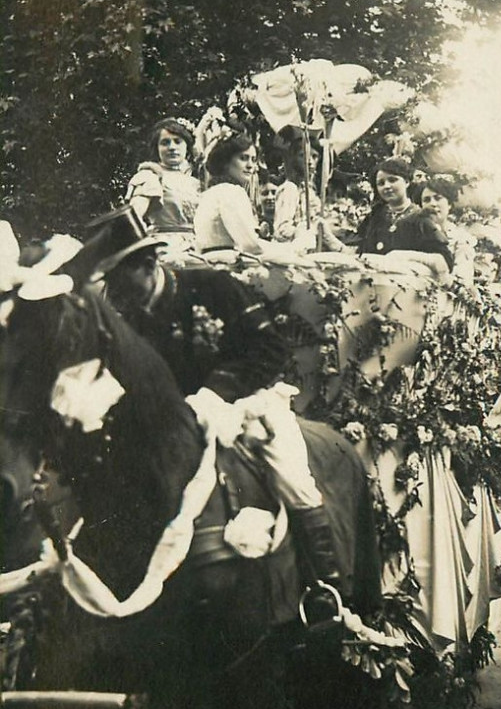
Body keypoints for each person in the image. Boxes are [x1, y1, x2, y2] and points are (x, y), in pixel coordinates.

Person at [80, 207, 347, 603]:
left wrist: (215, 391)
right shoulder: (123, 316)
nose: (115, 290)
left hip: (244, 402)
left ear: (149, 262)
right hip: (168, 422)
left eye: (121, 275)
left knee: (291, 475)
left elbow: (271, 348)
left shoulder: (212, 286)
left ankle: (326, 587)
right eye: (109, 279)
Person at [319, 157, 453, 276]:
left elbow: (443, 262)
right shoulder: (376, 216)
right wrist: (328, 236)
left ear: (407, 182)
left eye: (392, 180)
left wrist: (405, 257)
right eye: (381, 183)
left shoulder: (421, 219)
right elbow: (358, 253)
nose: (386, 186)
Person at [125, 117, 201, 241]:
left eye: (178, 141)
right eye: (165, 143)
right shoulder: (150, 176)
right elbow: (133, 218)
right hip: (165, 245)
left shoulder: (196, 183)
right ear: (157, 148)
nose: (172, 147)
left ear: (187, 146)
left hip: (198, 245)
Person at [193, 133, 263, 261]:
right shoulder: (231, 192)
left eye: (253, 160)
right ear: (225, 161)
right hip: (228, 263)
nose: (250, 165)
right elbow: (250, 245)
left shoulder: (209, 193)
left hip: (209, 260)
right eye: (243, 158)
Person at [412, 177, 476, 283]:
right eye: (426, 200)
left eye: (438, 198)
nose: (432, 204)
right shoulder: (413, 232)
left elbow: (462, 279)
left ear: (449, 204)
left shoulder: (460, 238)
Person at [272, 128, 322, 248]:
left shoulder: (309, 191)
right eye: (303, 156)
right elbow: (281, 230)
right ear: (293, 159)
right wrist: (302, 231)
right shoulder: (289, 189)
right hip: (290, 251)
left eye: (314, 157)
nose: (310, 162)